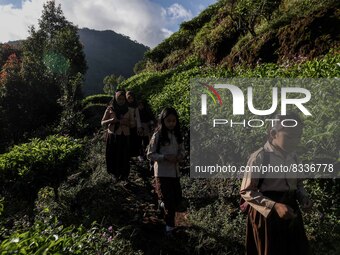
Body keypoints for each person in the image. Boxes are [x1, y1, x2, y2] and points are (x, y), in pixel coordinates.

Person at [240, 112, 313, 255]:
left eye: (298, 136)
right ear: (274, 133)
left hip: (291, 212)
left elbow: (298, 185)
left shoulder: (294, 157)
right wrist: (275, 206)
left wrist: (304, 198)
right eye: (290, 137)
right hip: (267, 217)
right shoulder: (259, 158)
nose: (295, 141)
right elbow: (247, 191)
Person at [147, 107, 185, 235]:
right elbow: (150, 154)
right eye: (168, 121)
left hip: (175, 172)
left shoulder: (177, 134)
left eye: (173, 121)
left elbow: (182, 150)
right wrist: (164, 157)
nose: (171, 123)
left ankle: (161, 204)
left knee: (177, 199)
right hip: (162, 173)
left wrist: (180, 157)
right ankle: (169, 227)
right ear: (163, 121)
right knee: (170, 202)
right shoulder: (157, 135)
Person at [101, 90, 134, 181]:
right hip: (113, 135)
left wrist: (126, 123)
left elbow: (133, 124)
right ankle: (114, 174)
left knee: (124, 155)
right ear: (115, 99)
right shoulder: (110, 109)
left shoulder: (129, 109)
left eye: (123, 99)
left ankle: (124, 175)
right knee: (113, 155)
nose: (121, 101)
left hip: (125, 135)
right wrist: (111, 120)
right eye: (119, 99)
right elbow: (102, 122)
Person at [126, 91, 142, 158]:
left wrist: (139, 127)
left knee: (135, 140)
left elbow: (138, 117)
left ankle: (136, 154)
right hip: (126, 125)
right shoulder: (124, 105)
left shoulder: (135, 106)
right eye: (129, 98)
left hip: (133, 125)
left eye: (132, 98)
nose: (130, 100)